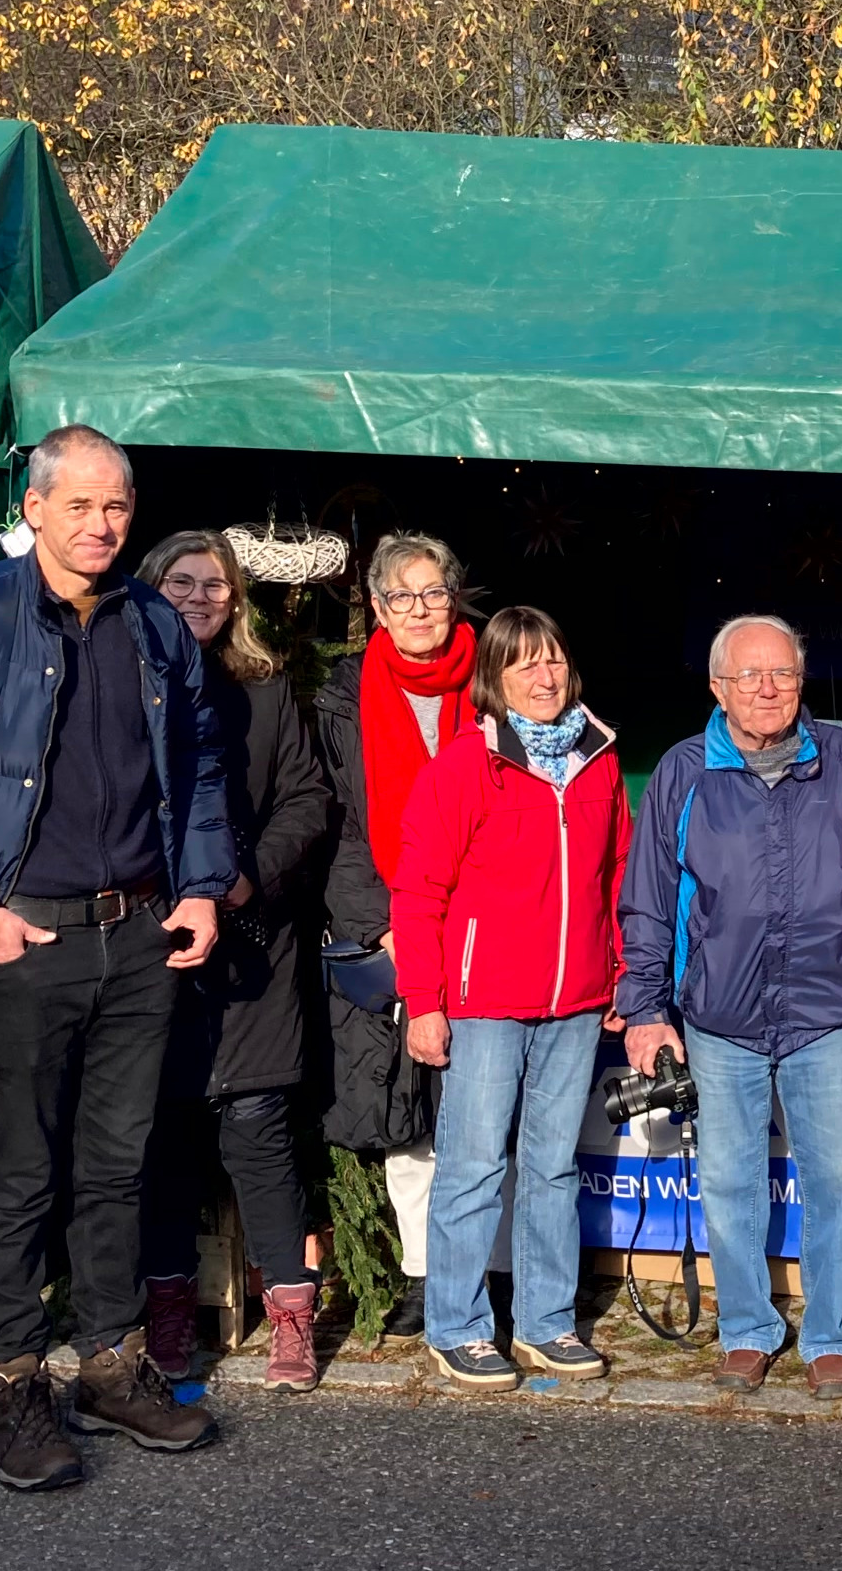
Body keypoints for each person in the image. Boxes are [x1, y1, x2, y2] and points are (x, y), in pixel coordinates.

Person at [0, 425, 234, 1492]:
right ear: (34, 510)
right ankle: (12, 1382)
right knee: (22, 1167)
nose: (102, 524)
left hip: (140, 932)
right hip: (23, 934)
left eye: (116, 505)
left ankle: (112, 1364)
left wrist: (202, 883)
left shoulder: (157, 623)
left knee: (118, 1160)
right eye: (79, 505)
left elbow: (202, 761)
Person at [617, 615, 842, 1398]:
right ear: (717, 687)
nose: (765, 688)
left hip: (827, 1009)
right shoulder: (683, 772)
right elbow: (647, 900)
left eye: (781, 673)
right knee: (729, 1180)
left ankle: (828, 1336)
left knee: (832, 1176)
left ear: (800, 680)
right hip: (720, 1017)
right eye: (748, 675)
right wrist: (646, 1006)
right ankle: (748, 1329)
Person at [388, 605, 629, 1389]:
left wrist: (623, 973)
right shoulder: (464, 765)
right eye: (523, 662)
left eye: (553, 659)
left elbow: (617, 877)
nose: (543, 675)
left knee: (553, 1168)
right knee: (472, 1166)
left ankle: (545, 1321)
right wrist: (423, 1000)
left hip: (576, 999)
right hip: (484, 997)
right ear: (494, 677)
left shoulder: (599, 759)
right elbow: (418, 891)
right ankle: (455, 1325)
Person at [138, 530, 333, 1391]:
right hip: (150, 947)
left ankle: (292, 1320)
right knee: (166, 1139)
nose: (199, 596)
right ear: (151, 587)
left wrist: (249, 879)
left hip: (251, 945)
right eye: (181, 581)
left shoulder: (264, 690)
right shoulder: (118, 683)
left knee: (257, 1133)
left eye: (215, 584)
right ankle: (172, 1320)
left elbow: (307, 795)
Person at [312, 531, 477, 1332]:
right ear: (377, 607)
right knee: (407, 1115)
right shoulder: (342, 695)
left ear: (454, 599)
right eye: (401, 596)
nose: (419, 610)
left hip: (485, 926)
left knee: (480, 1112)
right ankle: (422, 1270)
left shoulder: (495, 680)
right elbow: (335, 825)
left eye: (433, 592)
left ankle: (488, 1274)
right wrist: (381, 927)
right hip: (389, 928)